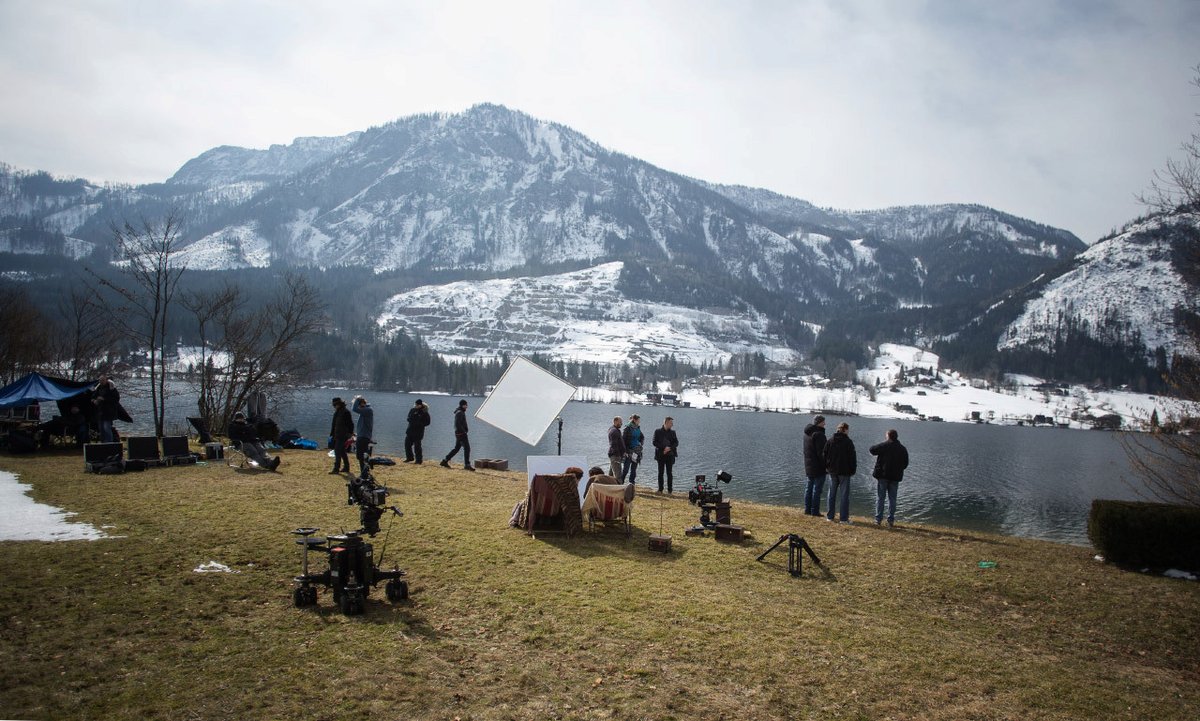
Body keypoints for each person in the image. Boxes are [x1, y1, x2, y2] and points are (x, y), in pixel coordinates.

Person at [870, 429, 910, 527]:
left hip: (883, 476)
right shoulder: (902, 449)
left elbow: (872, 450)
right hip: (895, 477)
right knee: (892, 499)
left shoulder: (884, 446)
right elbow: (905, 464)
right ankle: (890, 520)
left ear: (888, 436)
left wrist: (885, 443)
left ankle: (878, 519)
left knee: (880, 498)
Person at [823, 421, 857, 523]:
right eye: (848, 430)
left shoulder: (830, 441)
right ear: (845, 430)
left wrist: (827, 467)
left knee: (831, 494)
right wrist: (853, 470)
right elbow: (852, 458)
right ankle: (843, 519)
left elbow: (824, 455)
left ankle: (830, 517)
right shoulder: (848, 442)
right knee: (844, 496)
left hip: (832, 471)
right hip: (845, 472)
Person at [802, 415, 828, 516]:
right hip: (818, 467)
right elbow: (822, 454)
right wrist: (826, 465)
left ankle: (807, 509)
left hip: (809, 465)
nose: (825, 424)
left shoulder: (806, 434)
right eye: (823, 422)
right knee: (817, 490)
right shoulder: (819, 435)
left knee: (809, 488)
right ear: (819, 422)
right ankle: (815, 511)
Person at [440, 399, 474, 471]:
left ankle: (445, 461)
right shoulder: (459, 413)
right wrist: (464, 432)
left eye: (466, 405)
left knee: (456, 449)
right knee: (467, 449)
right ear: (462, 405)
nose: (466, 406)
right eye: (465, 405)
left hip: (459, 434)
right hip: (461, 434)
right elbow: (457, 424)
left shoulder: (460, 412)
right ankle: (467, 465)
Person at [652, 417, 679, 494]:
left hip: (670, 455)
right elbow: (654, 442)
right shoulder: (657, 431)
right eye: (671, 423)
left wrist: (669, 448)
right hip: (661, 454)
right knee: (660, 473)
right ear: (666, 423)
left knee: (669, 473)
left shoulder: (673, 432)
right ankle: (660, 489)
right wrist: (664, 448)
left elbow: (676, 443)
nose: (672, 424)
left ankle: (670, 490)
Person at [329, 397, 353, 475]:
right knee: (342, 451)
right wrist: (332, 434)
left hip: (343, 435)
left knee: (337, 451)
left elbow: (351, 424)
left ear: (339, 404)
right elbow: (334, 424)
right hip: (337, 434)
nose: (334, 406)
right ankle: (346, 467)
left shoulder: (346, 412)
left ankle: (336, 469)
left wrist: (349, 433)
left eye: (335, 405)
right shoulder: (337, 412)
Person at [92, 375, 120, 442]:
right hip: (100, 411)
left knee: (107, 428)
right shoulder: (98, 388)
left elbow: (116, 399)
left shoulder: (112, 388)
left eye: (103, 380)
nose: (101, 382)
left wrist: (104, 399)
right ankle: (103, 443)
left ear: (106, 380)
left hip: (109, 411)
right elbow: (93, 396)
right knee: (101, 429)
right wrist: (94, 400)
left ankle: (109, 443)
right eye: (100, 380)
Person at [352, 395, 374, 478]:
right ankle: (364, 473)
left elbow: (354, 409)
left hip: (364, 437)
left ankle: (364, 474)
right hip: (362, 436)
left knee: (362, 456)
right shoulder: (365, 411)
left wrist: (357, 399)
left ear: (363, 404)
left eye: (359, 405)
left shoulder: (368, 410)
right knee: (360, 456)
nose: (359, 408)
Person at [404, 398, 431, 464]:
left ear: (421, 405)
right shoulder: (412, 410)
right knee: (407, 445)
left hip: (418, 432)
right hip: (410, 430)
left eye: (417, 404)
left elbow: (428, 422)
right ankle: (409, 458)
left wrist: (420, 424)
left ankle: (419, 460)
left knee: (417, 447)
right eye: (415, 404)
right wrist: (410, 420)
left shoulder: (424, 412)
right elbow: (408, 418)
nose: (416, 405)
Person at [620, 414, 644, 485]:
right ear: (634, 420)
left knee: (634, 468)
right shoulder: (627, 428)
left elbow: (642, 437)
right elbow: (623, 440)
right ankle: (621, 482)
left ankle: (632, 482)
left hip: (637, 451)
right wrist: (625, 451)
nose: (639, 422)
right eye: (638, 420)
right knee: (626, 469)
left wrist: (640, 443)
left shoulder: (638, 428)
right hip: (629, 451)